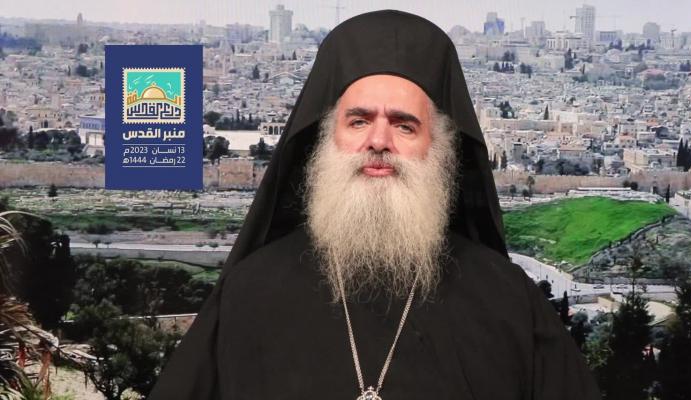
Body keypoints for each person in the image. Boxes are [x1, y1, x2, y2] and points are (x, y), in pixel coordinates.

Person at [148, 9, 601, 400]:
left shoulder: (507, 301)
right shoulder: (250, 292)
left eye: (404, 125)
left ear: (440, 149)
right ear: (327, 139)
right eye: (359, 121)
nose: (379, 141)